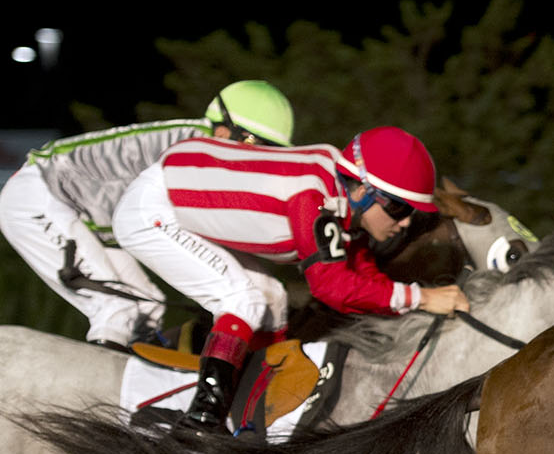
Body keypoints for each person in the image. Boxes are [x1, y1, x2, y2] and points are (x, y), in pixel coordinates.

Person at [111, 125, 470, 434]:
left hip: (180, 187)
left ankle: (251, 401)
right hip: (154, 209)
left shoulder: (341, 196)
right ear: (362, 191)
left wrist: (418, 305)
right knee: (244, 300)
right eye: (400, 207)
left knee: (271, 299)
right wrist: (421, 298)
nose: (405, 222)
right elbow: (331, 288)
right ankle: (203, 421)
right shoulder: (312, 198)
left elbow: (363, 274)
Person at [0, 81, 296, 350]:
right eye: (255, 143)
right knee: (117, 309)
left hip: (80, 214)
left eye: (271, 149)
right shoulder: (198, 151)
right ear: (222, 131)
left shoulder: (207, 147)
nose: (261, 156)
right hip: (38, 196)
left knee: (147, 312)